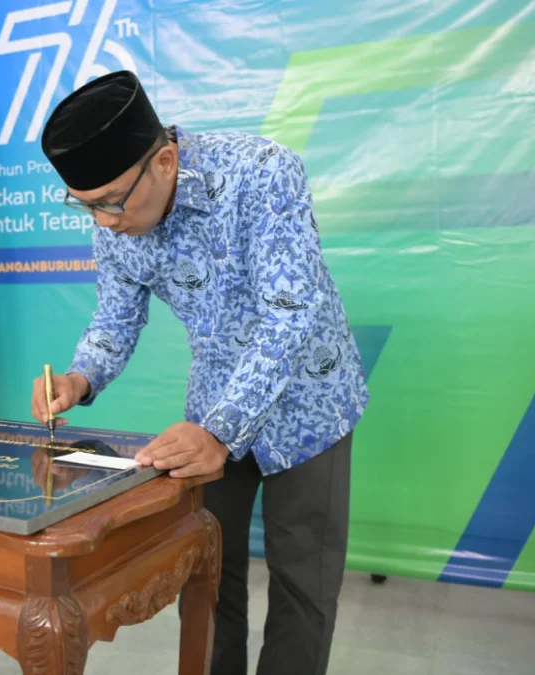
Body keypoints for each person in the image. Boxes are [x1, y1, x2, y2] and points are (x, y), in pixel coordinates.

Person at [29, 70, 369, 675]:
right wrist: (80, 378)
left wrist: (222, 431)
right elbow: (114, 318)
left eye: (110, 201)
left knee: (302, 585)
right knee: (208, 575)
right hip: (212, 409)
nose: (103, 222)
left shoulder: (263, 172)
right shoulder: (115, 222)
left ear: (164, 160)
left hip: (310, 402)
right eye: (86, 207)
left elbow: (289, 312)